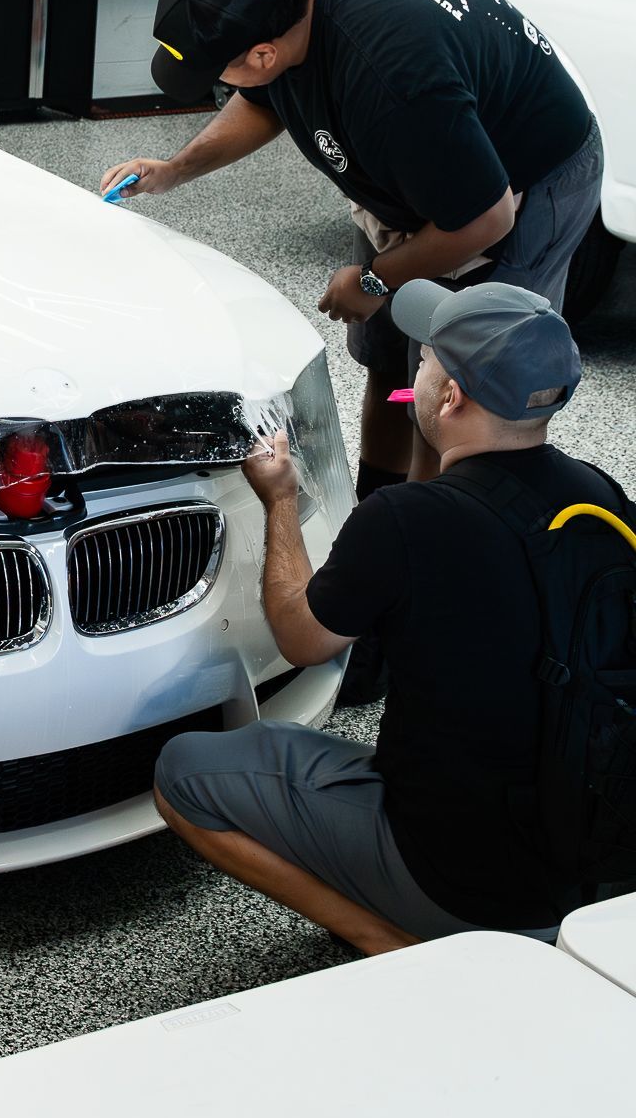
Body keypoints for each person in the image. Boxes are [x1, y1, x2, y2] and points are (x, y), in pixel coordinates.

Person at [154, 280, 628, 954]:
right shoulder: (599, 498)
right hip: (591, 868)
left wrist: (280, 500)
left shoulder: (404, 522)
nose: (417, 368)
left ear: (451, 396)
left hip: (460, 885)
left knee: (185, 772)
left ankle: (393, 944)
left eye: (428, 358)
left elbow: (302, 636)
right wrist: (428, 443)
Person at [103, 0, 602, 499]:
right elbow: (262, 99)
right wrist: (173, 169)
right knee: (395, 372)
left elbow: (486, 219)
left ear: (263, 53)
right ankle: (376, 505)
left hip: (519, 184)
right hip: (425, 177)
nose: (224, 85)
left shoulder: (394, 79)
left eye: (216, 73)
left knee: (452, 395)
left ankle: (423, 539)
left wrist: (375, 279)